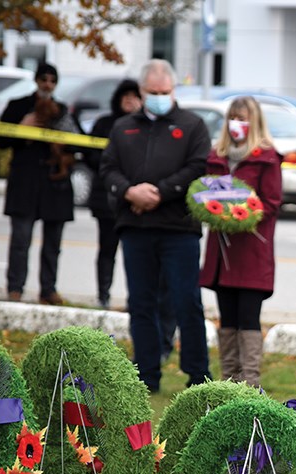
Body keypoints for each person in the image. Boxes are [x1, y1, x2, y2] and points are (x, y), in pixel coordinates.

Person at [99, 59, 211, 392]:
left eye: (166, 92)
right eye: (154, 92)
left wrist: (160, 193)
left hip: (179, 228)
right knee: (141, 303)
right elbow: (107, 170)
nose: (160, 97)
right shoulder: (123, 128)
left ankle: (197, 375)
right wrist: (130, 191)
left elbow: (198, 167)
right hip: (136, 227)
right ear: (142, 91)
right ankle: (146, 374)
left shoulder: (192, 125)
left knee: (185, 301)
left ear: (174, 90)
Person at [199, 96, 282, 387]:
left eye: (243, 118)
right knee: (227, 320)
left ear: (255, 121)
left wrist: (242, 212)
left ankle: (250, 385)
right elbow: (205, 193)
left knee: (248, 319)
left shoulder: (267, 157)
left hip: (250, 253)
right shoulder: (217, 156)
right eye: (233, 117)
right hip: (222, 254)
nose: (237, 123)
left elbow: (271, 202)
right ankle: (229, 383)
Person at [0, 62, 79, 305]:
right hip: (25, 182)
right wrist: (22, 128)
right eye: (44, 79)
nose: (47, 84)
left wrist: (62, 141)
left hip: (54, 184)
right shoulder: (18, 106)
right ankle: (15, 288)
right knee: (20, 240)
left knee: (52, 243)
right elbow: (1, 142)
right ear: (36, 80)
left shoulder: (63, 111)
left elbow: (78, 142)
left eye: (52, 80)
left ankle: (48, 290)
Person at [87, 79, 143, 309]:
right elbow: (92, 158)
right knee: (107, 250)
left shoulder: (148, 128)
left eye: (134, 95)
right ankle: (103, 295)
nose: (129, 100)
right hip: (107, 199)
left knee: (136, 255)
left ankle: (136, 299)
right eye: (125, 95)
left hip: (136, 202)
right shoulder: (105, 124)